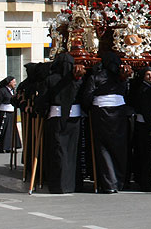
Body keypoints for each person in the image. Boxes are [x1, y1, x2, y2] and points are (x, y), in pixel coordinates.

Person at [82, 52, 131, 193]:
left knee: (103, 148)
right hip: (119, 113)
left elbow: (87, 97)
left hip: (101, 113)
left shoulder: (96, 76)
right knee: (120, 148)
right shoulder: (121, 77)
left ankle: (109, 183)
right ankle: (120, 182)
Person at [37, 52, 84, 194]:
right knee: (71, 151)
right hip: (74, 118)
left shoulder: (50, 79)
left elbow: (42, 100)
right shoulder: (78, 80)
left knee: (57, 151)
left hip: (56, 118)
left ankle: (58, 185)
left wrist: (40, 111)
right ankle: (72, 184)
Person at [127, 66, 151, 191]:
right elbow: (146, 110)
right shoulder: (144, 89)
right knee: (146, 154)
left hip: (145, 122)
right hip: (145, 124)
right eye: (147, 74)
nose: (150, 77)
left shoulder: (148, 88)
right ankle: (146, 181)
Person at [0, 76, 21, 153]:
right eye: (13, 82)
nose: (15, 83)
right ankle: (1, 146)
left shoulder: (13, 91)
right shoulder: (2, 91)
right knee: (3, 130)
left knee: (10, 130)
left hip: (11, 112)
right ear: (9, 83)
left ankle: (9, 146)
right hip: (4, 112)